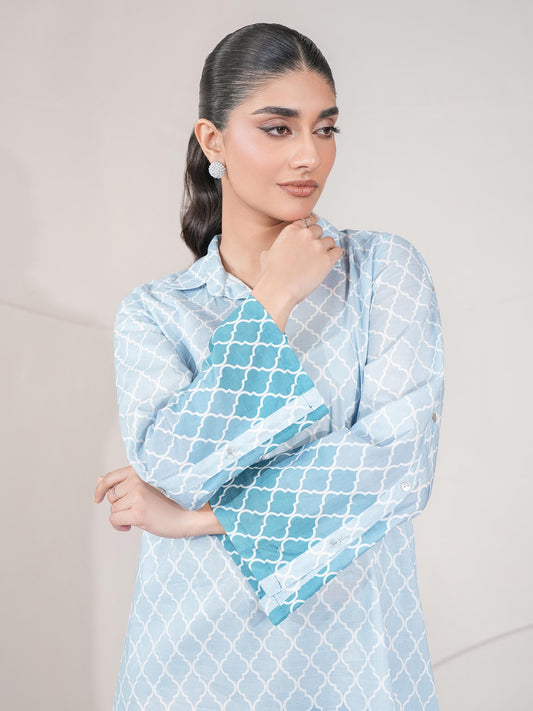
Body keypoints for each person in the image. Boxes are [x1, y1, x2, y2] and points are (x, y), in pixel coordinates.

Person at [93, 21, 444, 711]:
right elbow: (173, 466)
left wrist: (196, 520)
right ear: (212, 141)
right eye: (278, 128)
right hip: (190, 666)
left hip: (353, 662)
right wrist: (273, 299)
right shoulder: (155, 313)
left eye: (325, 129)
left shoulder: (383, 271)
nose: (308, 155)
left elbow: (399, 465)